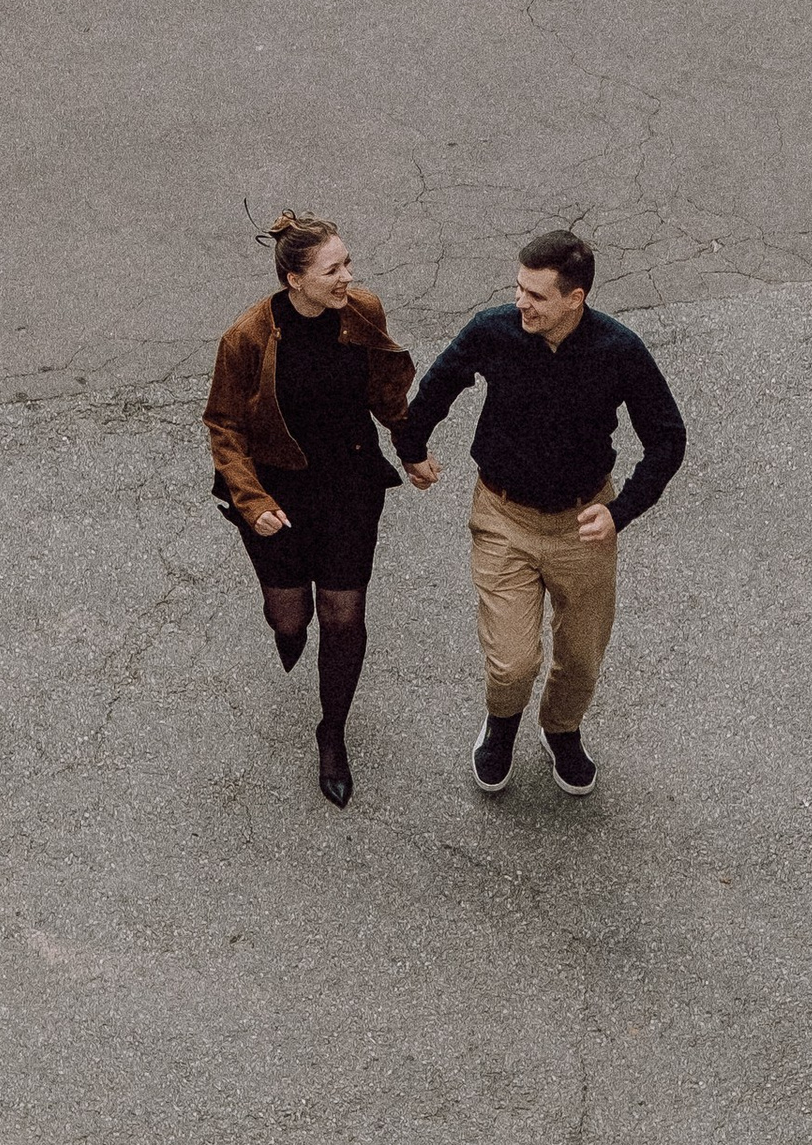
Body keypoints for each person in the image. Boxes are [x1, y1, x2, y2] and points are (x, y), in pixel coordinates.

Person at [395, 230, 685, 799]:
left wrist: (619, 512)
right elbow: (437, 386)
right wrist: (412, 450)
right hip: (504, 517)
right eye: (519, 288)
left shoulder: (618, 351)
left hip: (583, 523)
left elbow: (668, 439)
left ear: (575, 299)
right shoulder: (494, 330)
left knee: (580, 656)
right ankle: (500, 727)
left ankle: (561, 729)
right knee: (512, 663)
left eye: (537, 295)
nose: (521, 303)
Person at [205, 212, 417, 809]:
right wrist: (252, 501)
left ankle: (332, 733)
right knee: (290, 619)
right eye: (333, 269)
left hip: (350, 486)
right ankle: (288, 630)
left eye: (347, 263)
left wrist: (412, 448)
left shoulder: (361, 310)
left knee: (344, 616)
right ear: (295, 279)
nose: (348, 276)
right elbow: (223, 426)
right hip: (280, 497)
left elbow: (384, 388)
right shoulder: (247, 337)